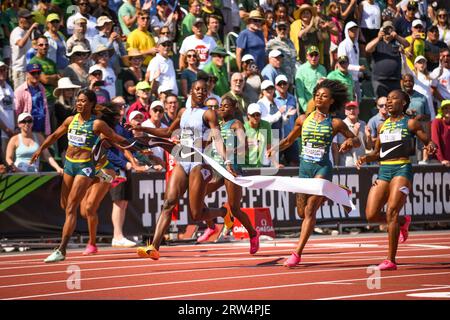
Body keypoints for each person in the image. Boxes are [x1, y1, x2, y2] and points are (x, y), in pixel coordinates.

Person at [133, 79, 235, 260]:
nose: (201, 92)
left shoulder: (209, 114)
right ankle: (153, 247)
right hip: (183, 159)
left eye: (204, 90)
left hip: (198, 162)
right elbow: (167, 133)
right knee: (168, 203)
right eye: (197, 89)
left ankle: (223, 212)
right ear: (191, 92)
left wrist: (227, 162)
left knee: (196, 214)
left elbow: (217, 139)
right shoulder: (183, 112)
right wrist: (141, 128)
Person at [30, 89, 132, 262]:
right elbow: (55, 135)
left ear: (91, 104)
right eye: (78, 100)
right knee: (65, 204)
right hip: (69, 164)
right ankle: (104, 178)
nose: (79, 103)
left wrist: (137, 149)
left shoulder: (97, 125)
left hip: (87, 167)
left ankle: (62, 249)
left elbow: (117, 139)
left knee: (76, 207)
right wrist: (40, 149)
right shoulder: (71, 120)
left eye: (83, 101)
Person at [268, 79, 361, 267]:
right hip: (305, 169)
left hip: (322, 168)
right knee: (302, 212)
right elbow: (289, 139)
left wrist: (349, 143)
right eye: (317, 95)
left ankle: (296, 253)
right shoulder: (303, 119)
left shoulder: (335, 123)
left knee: (310, 210)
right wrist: (275, 148)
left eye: (324, 96)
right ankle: (337, 190)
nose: (319, 98)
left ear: (331, 101)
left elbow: (357, 140)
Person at [356, 89, 437, 270]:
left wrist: (431, 145)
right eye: (388, 100)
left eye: (394, 99)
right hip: (384, 170)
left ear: (403, 103)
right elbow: (376, 153)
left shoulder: (410, 123)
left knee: (392, 211)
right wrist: (365, 158)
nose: (389, 102)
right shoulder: (383, 125)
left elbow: (428, 142)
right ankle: (402, 222)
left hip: (402, 168)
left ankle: (390, 260)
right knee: (371, 215)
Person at [199, 96, 260, 253]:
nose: (222, 108)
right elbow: (206, 144)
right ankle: (212, 225)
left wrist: (227, 153)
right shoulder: (217, 126)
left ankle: (253, 234)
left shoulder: (236, 124)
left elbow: (244, 147)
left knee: (235, 208)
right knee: (198, 195)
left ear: (234, 108)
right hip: (216, 168)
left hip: (231, 168)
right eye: (221, 106)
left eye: (226, 106)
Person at [365, 20, 409, 98]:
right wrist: (378, 38)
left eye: (390, 29)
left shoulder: (397, 42)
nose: (388, 32)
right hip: (380, 80)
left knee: (395, 103)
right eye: (386, 29)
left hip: (395, 80)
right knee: (383, 102)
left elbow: (407, 44)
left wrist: (397, 36)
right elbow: (367, 49)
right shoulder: (377, 42)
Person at [14, 63, 51, 136]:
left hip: (42, 130)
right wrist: (18, 129)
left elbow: (45, 110)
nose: (36, 75)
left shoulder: (42, 88)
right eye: (33, 73)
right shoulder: (20, 90)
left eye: (38, 73)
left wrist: (47, 131)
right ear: (27, 74)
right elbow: (16, 112)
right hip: (28, 130)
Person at [334, 101, 373, 166]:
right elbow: (342, 149)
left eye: (354, 108)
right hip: (348, 165)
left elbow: (369, 147)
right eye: (349, 109)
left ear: (358, 111)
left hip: (362, 164)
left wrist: (369, 136)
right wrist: (355, 132)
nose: (352, 110)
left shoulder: (363, 124)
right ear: (345, 112)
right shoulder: (341, 125)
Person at [10, 9, 39, 89]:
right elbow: (20, 44)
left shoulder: (27, 32)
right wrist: (30, 30)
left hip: (28, 70)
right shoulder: (16, 31)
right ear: (20, 20)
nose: (30, 20)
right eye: (27, 18)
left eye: (30, 18)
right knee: (20, 97)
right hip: (20, 71)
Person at [275, 74, 299, 166]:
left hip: (291, 136)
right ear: (275, 85)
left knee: (294, 163)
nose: (282, 86)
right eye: (279, 84)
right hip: (277, 137)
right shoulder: (272, 98)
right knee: (276, 165)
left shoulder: (292, 98)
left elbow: (296, 117)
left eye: (284, 83)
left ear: (288, 85)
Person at [338, 21, 365, 102]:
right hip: (346, 79)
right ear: (347, 31)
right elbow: (342, 64)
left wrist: (359, 73)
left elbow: (355, 61)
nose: (354, 32)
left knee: (357, 101)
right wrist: (358, 68)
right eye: (352, 30)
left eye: (356, 30)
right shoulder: (343, 45)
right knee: (348, 102)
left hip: (355, 79)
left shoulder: (356, 44)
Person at [53, 77, 80, 157]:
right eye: (67, 89)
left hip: (76, 137)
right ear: (62, 91)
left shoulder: (75, 105)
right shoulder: (57, 106)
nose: (70, 91)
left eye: (71, 89)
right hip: (64, 138)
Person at [295, 45, 327, 113]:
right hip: (307, 108)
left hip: (321, 108)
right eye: (311, 55)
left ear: (319, 56)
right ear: (307, 56)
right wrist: (306, 109)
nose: (313, 58)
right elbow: (300, 93)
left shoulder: (323, 69)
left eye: (316, 55)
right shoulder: (301, 70)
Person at [266, 21, 297, 86]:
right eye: (280, 29)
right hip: (280, 80)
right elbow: (265, 57)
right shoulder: (272, 43)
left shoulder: (290, 42)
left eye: (284, 29)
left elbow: (294, 58)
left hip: (291, 79)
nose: (282, 31)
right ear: (276, 30)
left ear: (287, 30)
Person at [244, 103, 273, 167]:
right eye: (253, 115)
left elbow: (269, 147)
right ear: (248, 115)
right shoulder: (243, 127)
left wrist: (275, 163)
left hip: (259, 165)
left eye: (258, 115)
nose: (256, 117)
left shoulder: (266, 125)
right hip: (244, 165)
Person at [0, 61, 15, 156]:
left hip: (11, 132)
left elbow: (13, 108)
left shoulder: (9, 87)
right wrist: (6, 129)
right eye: (0, 70)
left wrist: (16, 127)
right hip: (2, 133)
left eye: (5, 69)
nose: (3, 72)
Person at [431, 100, 450, 167]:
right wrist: (442, 159)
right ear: (441, 110)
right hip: (439, 162)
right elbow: (435, 142)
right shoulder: (437, 122)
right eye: (445, 108)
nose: (448, 110)